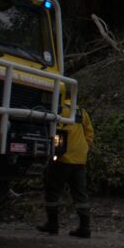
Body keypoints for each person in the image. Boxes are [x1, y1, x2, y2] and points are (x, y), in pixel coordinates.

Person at [37, 100, 95, 238]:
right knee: (80, 192)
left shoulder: (56, 108)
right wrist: (84, 148)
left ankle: (52, 224)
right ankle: (85, 227)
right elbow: (89, 132)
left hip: (63, 157)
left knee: (52, 190)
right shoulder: (80, 110)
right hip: (80, 158)